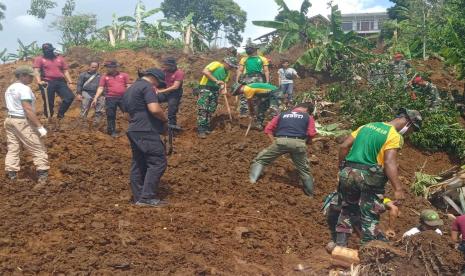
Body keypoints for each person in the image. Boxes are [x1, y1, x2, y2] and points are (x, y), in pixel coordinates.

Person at [335, 108, 422, 246]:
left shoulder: (366, 126)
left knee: (348, 208)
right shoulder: (394, 135)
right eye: (412, 130)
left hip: (348, 172)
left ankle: (340, 245)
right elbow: (389, 161)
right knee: (370, 214)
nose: (410, 134)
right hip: (369, 177)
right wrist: (398, 188)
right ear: (408, 124)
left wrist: (342, 168)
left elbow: (344, 146)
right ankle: (368, 251)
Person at [249, 102, 317, 197]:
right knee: (304, 170)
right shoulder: (308, 117)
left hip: (281, 141)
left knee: (260, 160)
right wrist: (307, 142)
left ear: (295, 108)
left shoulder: (282, 115)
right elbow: (311, 134)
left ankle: (251, 183)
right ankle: (310, 195)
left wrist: (274, 142)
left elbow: (268, 129)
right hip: (299, 144)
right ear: (308, 111)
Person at [124, 68, 169, 207]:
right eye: (158, 83)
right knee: (158, 162)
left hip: (134, 128)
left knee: (139, 163)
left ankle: (139, 197)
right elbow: (154, 109)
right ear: (154, 78)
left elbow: (126, 113)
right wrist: (165, 119)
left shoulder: (130, 89)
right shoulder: (147, 87)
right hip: (146, 129)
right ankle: (147, 197)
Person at [4, 66, 49, 186]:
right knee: (38, 148)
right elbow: (28, 109)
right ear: (22, 75)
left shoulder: (10, 88)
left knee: (13, 148)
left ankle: (11, 176)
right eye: (30, 76)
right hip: (21, 121)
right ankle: (43, 178)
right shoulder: (24, 89)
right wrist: (39, 127)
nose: (32, 78)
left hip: (10, 120)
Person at [323, 192, 398, 243]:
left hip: (339, 206)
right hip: (338, 210)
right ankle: (339, 242)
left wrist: (390, 229)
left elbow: (394, 208)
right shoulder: (369, 201)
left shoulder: (378, 201)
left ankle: (339, 242)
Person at [33, 43, 75, 124]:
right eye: (46, 51)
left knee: (69, 97)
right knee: (49, 102)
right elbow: (36, 71)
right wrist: (39, 81)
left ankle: (60, 115)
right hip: (47, 82)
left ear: (52, 50)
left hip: (60, 81)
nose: (48, 52)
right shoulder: (39, 59)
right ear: (44, 51)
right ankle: (49, 118)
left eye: (49, 50)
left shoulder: (60, 59)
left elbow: (65, 71)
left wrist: (70, 82)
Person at [197, 57, 238, 138]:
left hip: (215, 90)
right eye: (230, 65)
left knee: (211, 109)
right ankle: (201, 129)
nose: (230, 67)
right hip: (206, 88)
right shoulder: (216, 64)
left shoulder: (227, 72)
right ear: (225, 62)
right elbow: (205, 72)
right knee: (203, 108)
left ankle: (206, 127)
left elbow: (224, 82)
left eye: (232, 67)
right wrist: (216, 81)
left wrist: (224, 89)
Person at [92, 60, 130, 137]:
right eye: (107, 67)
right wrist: (95, 98)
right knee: (110, 115)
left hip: (123, 98)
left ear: (115, 67)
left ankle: (133, 130)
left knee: (129, 113)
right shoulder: (104, 77)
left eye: (110, 67)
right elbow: (100, 88)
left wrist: (130, 96)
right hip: (110, 98)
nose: (108, 69)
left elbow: (129, 86)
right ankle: (111, 131)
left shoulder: (124, 75)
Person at [236, 43, 270, 117]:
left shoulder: (262, 59)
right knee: (244, 96)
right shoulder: (244, 59)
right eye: (247, 48)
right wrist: (237, 80)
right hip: (247, 78)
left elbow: (266, 70)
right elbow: (240, 70)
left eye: (250, 48)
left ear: (255, 49)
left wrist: (267, 82)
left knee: (257, 96)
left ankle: (255, 115)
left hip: (258, 79)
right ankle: (243, 114)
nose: (248, 50)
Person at [157, 57, 185, 130]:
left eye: (166, 65)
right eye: (164, 65)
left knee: (171, 112)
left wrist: (160, 91)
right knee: (152, 99)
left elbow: (175, 87)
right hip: (166, 92)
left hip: (174, 94)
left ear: (172, 66)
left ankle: (172, 130)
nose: (165, 67)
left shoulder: (179, 73)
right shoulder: (164, 71)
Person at [76, 62, 103, 127]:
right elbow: (79, 85)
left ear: (98, 68)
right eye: (92, 67)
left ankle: (96, 124)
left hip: (97, 94)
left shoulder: (100, 76)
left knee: (99, 109)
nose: (94, 68)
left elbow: (102, 86)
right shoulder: (83, 75)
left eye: (95, 67)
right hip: (86, 92)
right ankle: (83, 124)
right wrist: (79, 94)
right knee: (85, 108)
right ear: (89, 66)